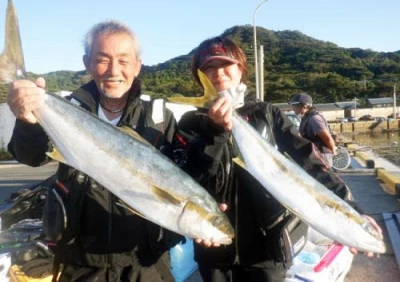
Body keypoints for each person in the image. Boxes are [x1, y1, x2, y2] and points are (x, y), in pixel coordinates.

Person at [178, 36, 382, 282]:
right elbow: (188, 177)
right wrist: (214, 132)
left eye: (225, 65)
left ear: (240, 69)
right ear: (199, 76)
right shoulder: (191, 122)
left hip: (268, 247)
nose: (218, 73)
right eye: (208, 68)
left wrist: (352, 209)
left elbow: (311, 162)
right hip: (213, 249)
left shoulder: (267, 113)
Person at [7, 20, 184, 282]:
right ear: (87, 62)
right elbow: (31, 157)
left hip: (146, 264)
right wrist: (25, 120)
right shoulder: (65, 109)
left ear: (137, 65)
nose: (114, 71)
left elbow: (184, 177)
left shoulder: (159, 117)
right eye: (103, 59)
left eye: (124, 61)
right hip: (80, 263)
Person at [289, 93, 337, 168]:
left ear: (304, 106)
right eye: (292, 105)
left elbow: (327, 138)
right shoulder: (305, 118)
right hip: (312, 157)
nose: (293, 107)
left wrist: (332, 151)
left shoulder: (314, 119)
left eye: (295, 105)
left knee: (322, 178)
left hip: (320, 157)